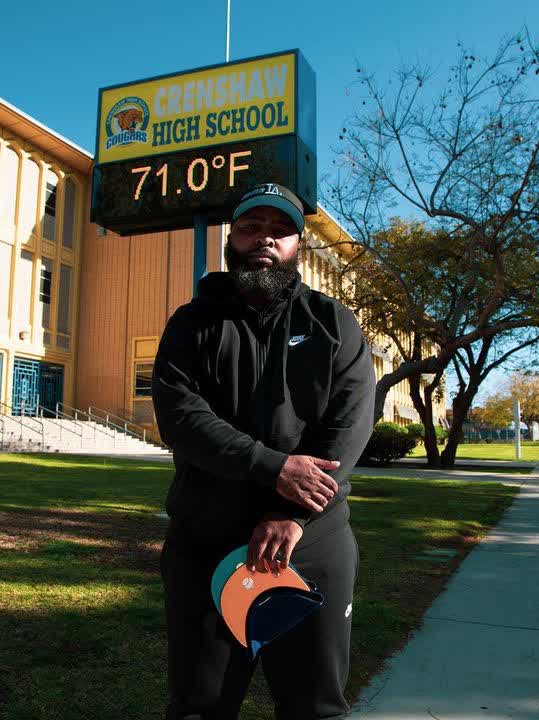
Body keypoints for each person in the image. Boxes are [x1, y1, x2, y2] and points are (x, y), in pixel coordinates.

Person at [151, 182, 376, 720]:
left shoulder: (333, 324)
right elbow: (182, 419)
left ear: (299, 244)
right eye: (252, 227)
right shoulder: (191, 324)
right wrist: (274, 469)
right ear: (232, 237)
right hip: (206, 542)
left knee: (314, 706)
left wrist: (292, 512)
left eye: (280, 231)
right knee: (200, 707)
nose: (265, 240)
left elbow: (348, 426)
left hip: (312, 543)